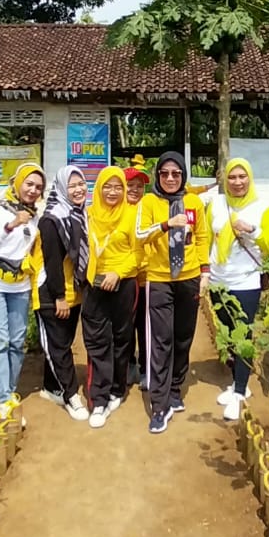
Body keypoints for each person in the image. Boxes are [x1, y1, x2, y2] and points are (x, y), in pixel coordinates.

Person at [134, 152, 211, 434]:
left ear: (183, 176)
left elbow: (202, 237)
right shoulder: (149, 202)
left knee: (182, 337)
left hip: (188, 277)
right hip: (159, 279)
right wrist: (166, 224)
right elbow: (140, 235)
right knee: (160, 340)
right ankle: (159, 404)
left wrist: (204, 271)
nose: (169, 178)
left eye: (175, 174)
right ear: (157, 176)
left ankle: (175, 388)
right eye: (164, 173)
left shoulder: (193, 202)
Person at [208, 158, 269, 421]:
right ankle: (238, 381)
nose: (237, 182)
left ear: (249, 179)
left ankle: (239, 391)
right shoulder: (217, 204)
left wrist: (252, 229)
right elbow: (209, 238)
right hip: (219, 279)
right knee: (228, 334)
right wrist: (206, 272)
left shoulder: (262, 208)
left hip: (246, 282)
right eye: (232, 177)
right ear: (225, 180)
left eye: (242, 177)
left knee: (243, 336)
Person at [0, 163, 45, 420]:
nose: (33, 190)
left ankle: (9, 391)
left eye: (38, 187)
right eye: (29, 184)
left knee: (16, 340)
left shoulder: (33, 215)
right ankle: (2, 400)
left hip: (19, 283)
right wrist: (12, 224)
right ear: (18, 183)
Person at [82, 167, 140, 428]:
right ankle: (99, 400)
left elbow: (138, 252)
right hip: (95, 285)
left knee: (121, 338)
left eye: (118, 187)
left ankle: (117, 388)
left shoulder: (132, 214)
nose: (113, 191)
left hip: (124, 283)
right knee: (97, 341)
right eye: (107, 186)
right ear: (99, 188)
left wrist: (119, 272)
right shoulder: (89, 214)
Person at [36, 165, 90, 421]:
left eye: (81, 184)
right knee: (58, 347)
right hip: (53, 293)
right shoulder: (52, 219)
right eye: (72, 185)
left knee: (63, 342)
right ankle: (71, 396)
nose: (78, 189)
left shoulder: (79, 214)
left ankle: (51, 387)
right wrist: (59, 297)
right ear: (61, 188)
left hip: (74, 291)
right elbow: (52, 262)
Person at [123, 166, 152, 388]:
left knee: (145, 325)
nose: (135, 190)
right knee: (124, 326)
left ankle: (144, 368)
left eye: (139, 186)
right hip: (123, 279)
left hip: (145, 279)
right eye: (130, 185)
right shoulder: (117, 210)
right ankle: (128, 365)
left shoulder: (147, 209)